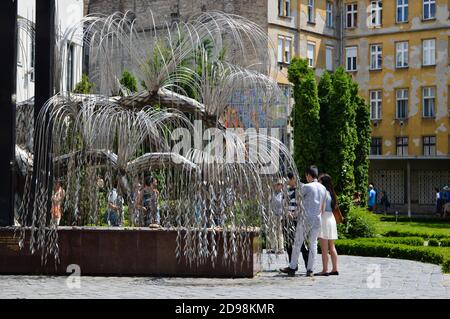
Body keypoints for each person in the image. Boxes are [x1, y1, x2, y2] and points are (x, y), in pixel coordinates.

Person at [280, 165, 327, 277]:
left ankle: (292, 267)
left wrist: (294, 214)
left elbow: (299, 203)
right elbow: (323, 207)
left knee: (298, 242)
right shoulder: (323, 188)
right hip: (317, 218)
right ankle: (310, 269)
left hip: (305, 218)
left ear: (308, 175)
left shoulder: (307, 186)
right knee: (313, 244)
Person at [281, 173, 309, 268]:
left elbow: (303, 203)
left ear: (293, 179)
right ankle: (292, 265)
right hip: (287, 219)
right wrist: (287, 212)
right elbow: (284, 202)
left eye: (288, 180)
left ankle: (308, 266)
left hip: (298, 219)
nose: (287, 182)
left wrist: (295, 213)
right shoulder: (286, 189)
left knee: (301, 243)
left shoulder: (302, 188)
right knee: (288, 243)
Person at [316, 174, 339, 276]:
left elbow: (321, 209)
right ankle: (335, 268)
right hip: (331, 219)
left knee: (324, 248)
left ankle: (325, 269)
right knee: (332, 246)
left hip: (324, 218)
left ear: (323, 182)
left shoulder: (323, 193)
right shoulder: (332, 193)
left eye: (319, 181)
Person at [267, 179, 285, 253]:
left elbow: (285, 204)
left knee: (280, 231)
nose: (279, 186)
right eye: (277, 184)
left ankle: (281, 248)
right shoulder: (272, 193)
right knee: (272, 231)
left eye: (280, 184)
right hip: (273, 214)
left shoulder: (283, 194)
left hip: (280, 214)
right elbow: (269, 203)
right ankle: (273, 247)